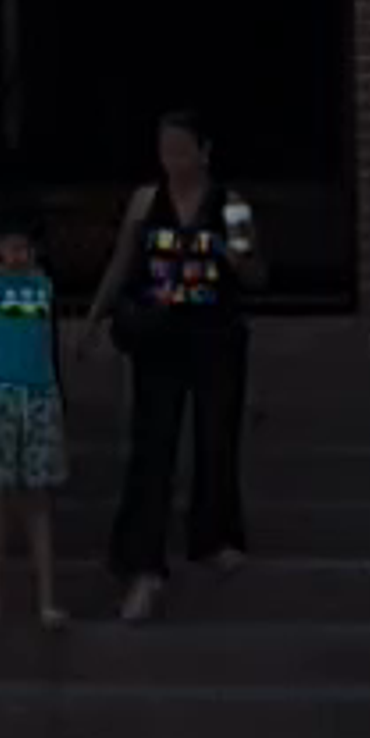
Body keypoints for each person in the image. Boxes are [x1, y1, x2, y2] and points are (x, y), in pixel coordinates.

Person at [93, 107, 260, 620]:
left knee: (215, 436)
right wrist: (98, 316)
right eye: (166, 151)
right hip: (159, 335)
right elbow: (124, 260)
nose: (173, 161)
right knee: (153, 443)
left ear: (204, 152)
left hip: (214, 332)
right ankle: (140, 558)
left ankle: (213, 534)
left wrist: (238, 257)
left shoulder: (230, 205)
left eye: (182, 150)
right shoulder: (147, 200)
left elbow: (254, 270)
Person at [0, 198, 70, 630]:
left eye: (25, 247)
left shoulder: (45, 284)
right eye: (10, 246)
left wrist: (60, 396)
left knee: (38, 503)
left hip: (40, 397)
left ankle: (47, 600)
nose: (17, 255)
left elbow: (51, 343)